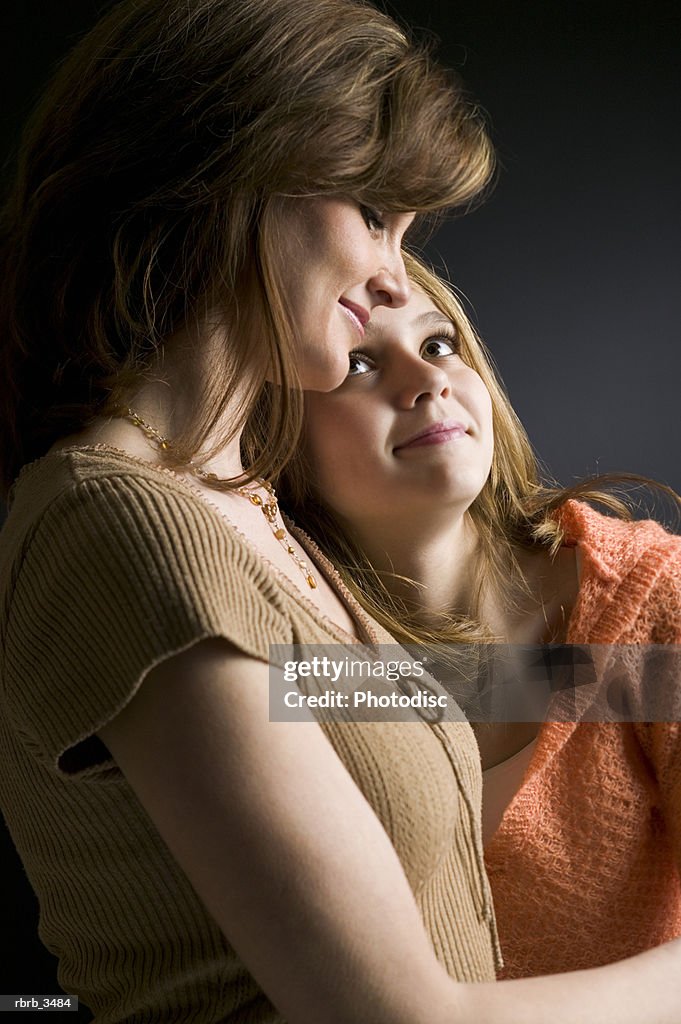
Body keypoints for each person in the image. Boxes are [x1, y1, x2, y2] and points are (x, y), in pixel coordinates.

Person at [1, 2, 680, 1023]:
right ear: (233, 177)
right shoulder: (126, 523)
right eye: (372, 214)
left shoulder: (251, 521)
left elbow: (568, 675)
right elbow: (400, 1018)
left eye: (441, 338)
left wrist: (625, 617)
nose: (391, 272)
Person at [282, 251, 681, 986]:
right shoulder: (294, 660)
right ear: (274, 435)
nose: (427, 380)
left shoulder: (649, 599)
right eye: (359, 366)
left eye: (438, 345)